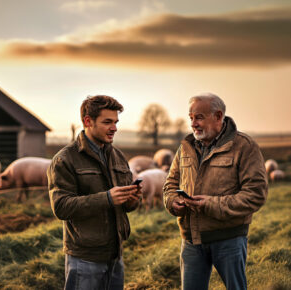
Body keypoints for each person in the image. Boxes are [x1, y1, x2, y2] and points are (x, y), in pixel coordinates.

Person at [163, 93, 268, 290]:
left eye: (199, 117)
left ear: (218, 116)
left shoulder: (244, 146)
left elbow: (256, 194)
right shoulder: (185, 148)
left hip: (229, 240)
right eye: (191, 117)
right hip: (191, 240)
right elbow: (169, 184)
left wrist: (210, 204)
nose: (193, 123)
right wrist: (172, 202)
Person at [48, 95, 141, 290]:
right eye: (107, 122)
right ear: (88, 121)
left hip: (116, 255)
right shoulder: (65, 159)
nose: (114, 127)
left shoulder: (118, 156)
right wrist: (107, 198)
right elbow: (61, 207)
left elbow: (125, 205)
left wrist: (131, 200)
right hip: (85, 258)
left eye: (115, 122)